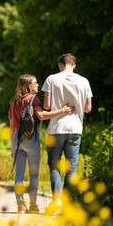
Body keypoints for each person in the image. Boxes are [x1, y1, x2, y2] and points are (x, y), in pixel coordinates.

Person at [9, 75, 74, 214]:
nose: (38, 85)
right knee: (34, 174)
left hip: (17, 138)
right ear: (28, 86)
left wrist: (12, 145)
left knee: (19, 175)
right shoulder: (33, 99)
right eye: (35, 83)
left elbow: (11, 124)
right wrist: (63, 111)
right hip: (31, 139)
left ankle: (20, 205)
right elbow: (42, 115)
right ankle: (33, 206)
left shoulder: (13, 101)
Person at [41, 53, 93, 209]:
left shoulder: (51, 79)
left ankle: (56, 198)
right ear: (74, 65)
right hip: (75, 128)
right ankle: (65, 200)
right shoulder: (84, 81)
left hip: (56, 128)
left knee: (54, 165)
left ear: (60, 65)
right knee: (71, 167)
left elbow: (47, 105)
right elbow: (88, 108)